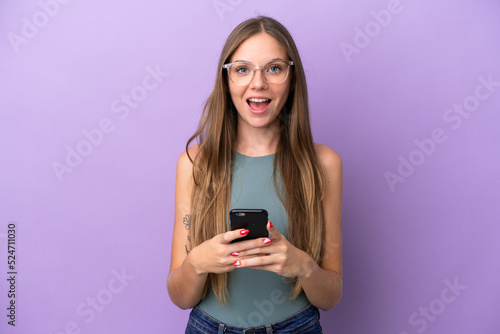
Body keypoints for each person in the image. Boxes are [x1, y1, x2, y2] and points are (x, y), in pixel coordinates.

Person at [167, 16, 342, 334]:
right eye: (243, 69)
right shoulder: (194, 163)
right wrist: (197, 263)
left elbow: (330, 296)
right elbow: (180, 297)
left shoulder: (324, 163)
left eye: (273, 68)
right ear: (227, 79)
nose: (258, 83)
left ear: (291, 77)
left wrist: (301, 265)